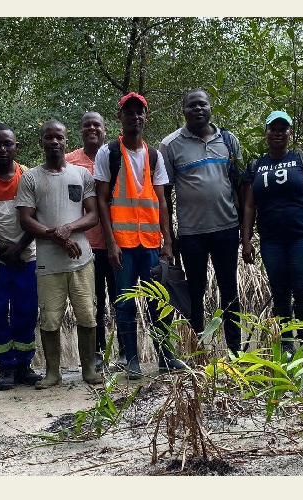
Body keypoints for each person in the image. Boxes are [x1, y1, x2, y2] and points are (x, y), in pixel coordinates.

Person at [94, 92, 187, 379]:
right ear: (120, 117)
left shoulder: (154, 155)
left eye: (139, 112)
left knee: (159, 300)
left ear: (146, 117)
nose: (135, 117)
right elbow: (101, 199)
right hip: (121, 244)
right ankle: (132, 360)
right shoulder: (108, 153)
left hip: (150, 243)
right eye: (129, 112)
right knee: (124, 302)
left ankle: (165, 356)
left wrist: (167, 242)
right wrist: (110, 242)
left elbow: (161, 201)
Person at [17, 119, 104, 389]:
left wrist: (68, 228)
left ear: (66, 141)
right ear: (41, 142)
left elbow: (93, 215)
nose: (54, 142)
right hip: (48, 264)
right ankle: (52, 372)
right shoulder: (31, 177)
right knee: (50, 318)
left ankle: (88, 368)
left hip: (82, 260)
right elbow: (26, 220)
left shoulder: (81, 175)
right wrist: (57, 235)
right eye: (48, 138)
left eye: (59, 137)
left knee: (87, 315)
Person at [159, 88, 244, 355]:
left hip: (227, 229)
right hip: (191, 234)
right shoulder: (170, 145)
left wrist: (244, 228)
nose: (198, 109)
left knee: (229, 291)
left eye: (202, 105)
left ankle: (235, 351)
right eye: (191, 106)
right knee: (194, 292)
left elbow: (240, 187)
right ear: (183, 111)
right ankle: (197, 352)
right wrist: (169, 238)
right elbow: (165, 194)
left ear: (210, 108)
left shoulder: (228, 141)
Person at [241, 111, 303, 355]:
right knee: (279, 289)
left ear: (290, 132)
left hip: (301, 235)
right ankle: (286, 342)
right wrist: (246, 241)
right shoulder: (256, 166)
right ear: (266, 133)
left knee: (301, 286)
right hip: (271, 239)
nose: (277, 133)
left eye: (282, 129)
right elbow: (248, 206)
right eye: (273, 129)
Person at [0, 123, 42, 391]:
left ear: (16, 146)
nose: (2, 149)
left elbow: (36, 217)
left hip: (27, 256)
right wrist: (2, 249)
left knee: (26, 311)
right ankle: (6, 367)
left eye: (8, 144)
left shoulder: (27, 175)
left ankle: (24, 366)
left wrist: (18, 248)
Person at [64, 111, 123, 371]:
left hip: (117, 242)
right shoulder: (68, 162)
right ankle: (97, 354)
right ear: (81, 130)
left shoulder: (115, 156)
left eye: (96, 125)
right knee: (92, 303)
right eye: (87, 124)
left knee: (121, 300)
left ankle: (125, 351)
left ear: (104, 129)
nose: (92, 129)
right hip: (85, 245)